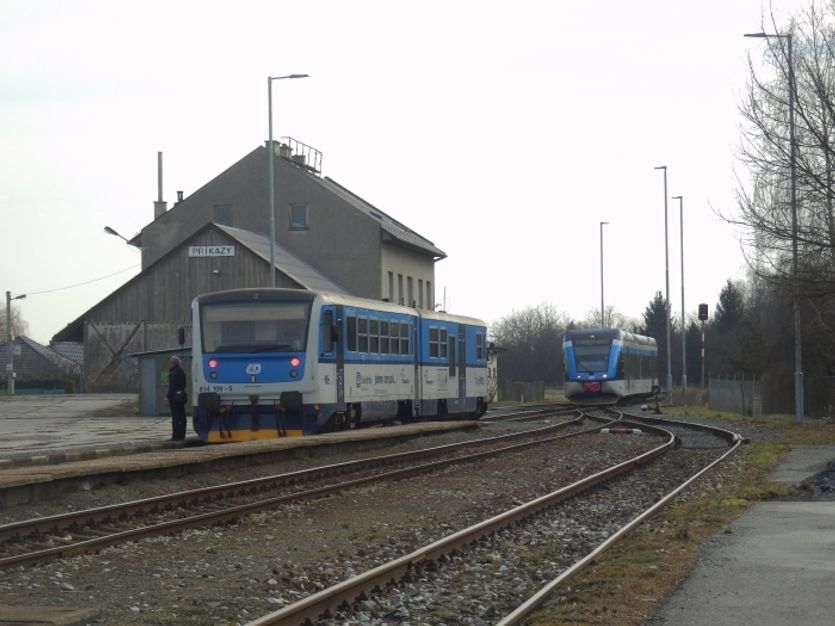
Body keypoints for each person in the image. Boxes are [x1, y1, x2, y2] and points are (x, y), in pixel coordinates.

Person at [166, 355, 188, 441]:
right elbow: (184, 384)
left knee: (175, 416)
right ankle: (181, 435)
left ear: (173, 363)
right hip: (181, 396)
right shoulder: (181, 371)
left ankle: (175, 436)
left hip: (174, 397)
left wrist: (168, 395)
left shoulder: (173, 372)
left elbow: (172, 385)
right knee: (182, 416)